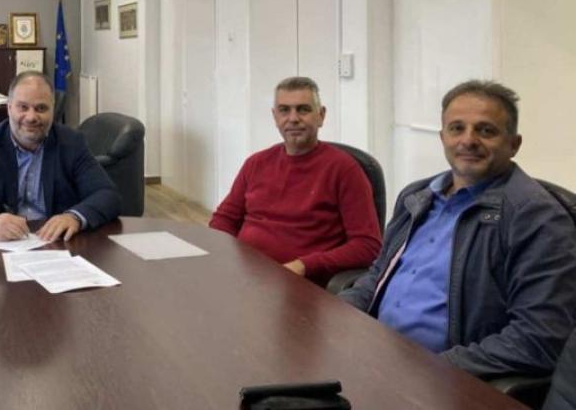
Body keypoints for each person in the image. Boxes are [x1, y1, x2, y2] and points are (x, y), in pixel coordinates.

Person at [340, 80, 576, 378]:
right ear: (443, 137)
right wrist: (337, 316)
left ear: (514, 144)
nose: (468, 140)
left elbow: (538, 339)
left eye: (486, 130)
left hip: (443, 377)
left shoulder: (538, 219)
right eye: (457, 128)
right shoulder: (417, 196)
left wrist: (433, 369)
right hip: (377, 352)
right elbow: (379, 273)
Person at [209, 76, 382, 284]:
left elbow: (368, 245)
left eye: (303, 109)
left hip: (300, 284)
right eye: (284, 110)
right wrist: (226, 257)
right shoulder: (256, 163)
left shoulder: (345, 170)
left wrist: (304, 266)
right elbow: (224, 219)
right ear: (275, 117)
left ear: (321, 115)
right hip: (245, 275)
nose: (293, 118)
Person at [0, 71, 120, 242]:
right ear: (9, 108)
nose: (31, 117)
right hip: (0, 247)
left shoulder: (72, 143)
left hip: (54, 244)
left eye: (41, 108)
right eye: (23, 107)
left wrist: (74, 217)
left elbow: (107, 195)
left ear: (53, 110)